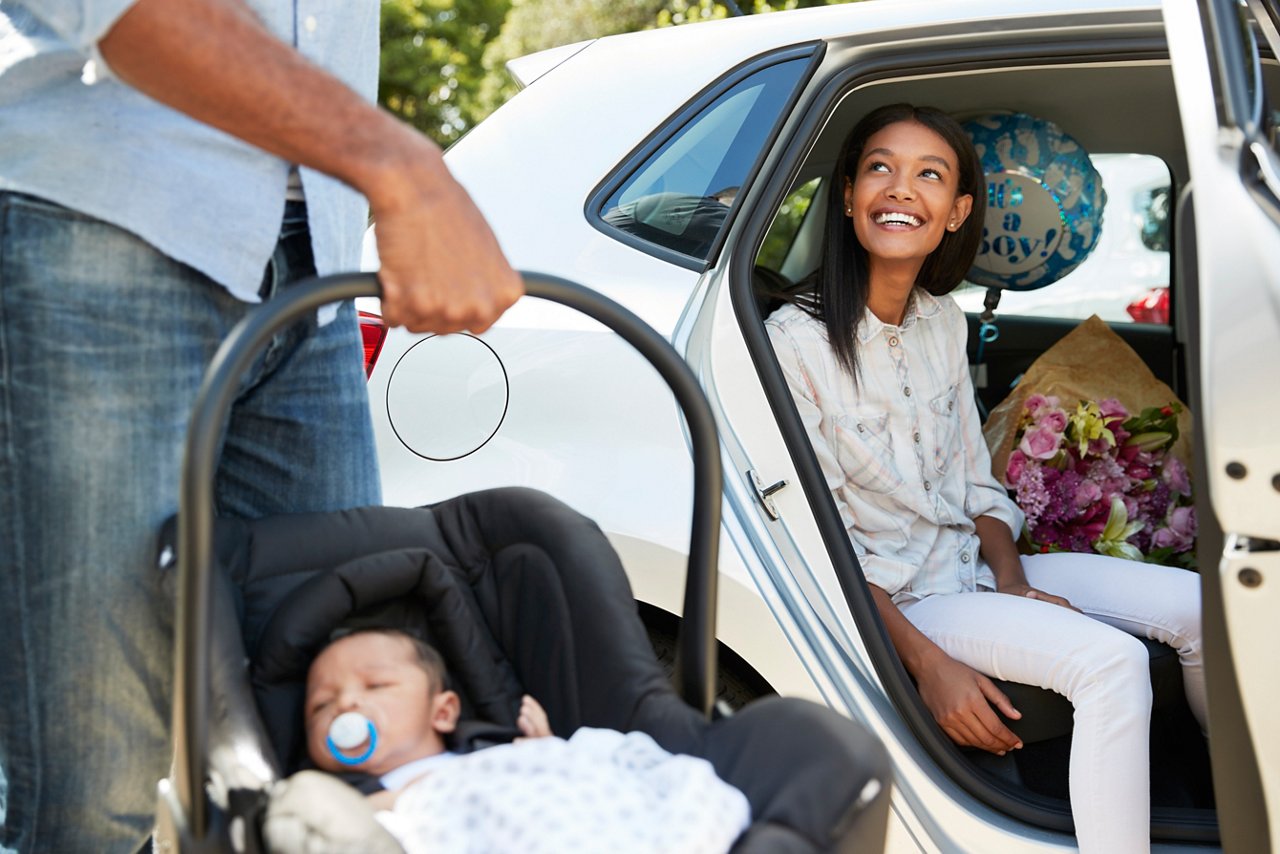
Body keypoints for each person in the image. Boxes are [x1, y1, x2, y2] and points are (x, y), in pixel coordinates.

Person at [0, 2, 523, 851]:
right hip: (99, 220)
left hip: (309, 257)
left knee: (332, 726)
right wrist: (401, 165)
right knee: (96, 788)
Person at [764, 103, 1205, 854]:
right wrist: (928, 666)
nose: (901, 189)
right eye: (880, 168)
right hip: (901, 598)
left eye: (928, 175)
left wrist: (1012, 580)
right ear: (847, 194)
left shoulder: (942, 321)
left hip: (973, 567)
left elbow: (977, 485)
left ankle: (1246, 807)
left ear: (957, 210)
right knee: (1112, 663)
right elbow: (818, 544)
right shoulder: (792, 343)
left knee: (1205, 608)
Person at [297, 629, 751, 854]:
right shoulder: (355, 802)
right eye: (321, 705)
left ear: (443, 711)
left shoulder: (495, 759)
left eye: (375, 686)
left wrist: (548, 750)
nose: (345, 705)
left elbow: (568, 781)